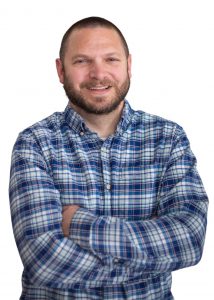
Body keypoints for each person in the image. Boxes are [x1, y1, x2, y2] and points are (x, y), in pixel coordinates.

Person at [9, 16, 208, 300]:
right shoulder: (35, 143)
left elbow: (189, 240)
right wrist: (148, 263)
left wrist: (79, 222)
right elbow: (44, 260)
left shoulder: (168, 138)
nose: (98, 73)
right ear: (60, 70)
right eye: (81, 61)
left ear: (128, 65)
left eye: (111, 60)